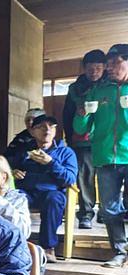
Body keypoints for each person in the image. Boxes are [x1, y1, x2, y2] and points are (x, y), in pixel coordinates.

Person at [74, 44, 128, 268]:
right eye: (110, 63)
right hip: (104, 157)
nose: (111, 68)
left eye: (117, 63)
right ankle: (119, 251)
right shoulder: (98, 91)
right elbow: (80, 128)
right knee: (108, 208)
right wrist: (82, 114)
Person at [12, 115, 77, 263]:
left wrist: (51, 163)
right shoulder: (24, 151)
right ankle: (14, 246)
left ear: (55, 131)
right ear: (33, 131)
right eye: (41, 127)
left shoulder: (65, 152)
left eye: (51, 126)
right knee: (13, 198)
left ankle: (48, 247)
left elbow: (70, 179)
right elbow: (7, 168)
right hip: (27, 191)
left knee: (54, 199)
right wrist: (13, 172)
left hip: (51, 192)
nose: (47, 130)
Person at [64, 50, 107, 229]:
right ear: (84, 68)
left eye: (98, 68)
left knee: (107, 178)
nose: (94, 72)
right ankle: (86, 213)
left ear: (105, 67)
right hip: (82, 140)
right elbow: (66, 114)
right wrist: (69, 138)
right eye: (90, 68)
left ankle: (105, 212)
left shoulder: (111, 86)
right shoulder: (76, 88)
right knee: (84, 177)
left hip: (106, 140)